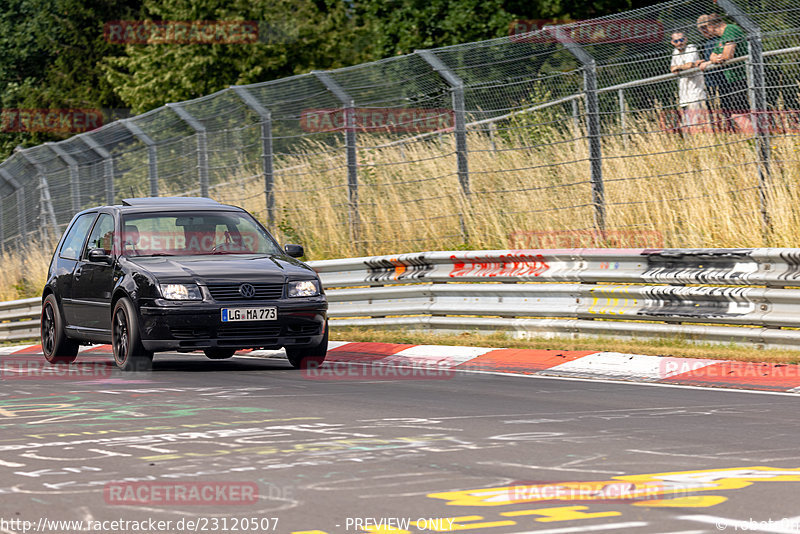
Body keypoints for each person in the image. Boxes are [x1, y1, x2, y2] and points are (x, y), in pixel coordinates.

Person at [699, 14, 751, 132]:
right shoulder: (721, 38)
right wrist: (715, 59)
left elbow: (728, 55)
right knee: (738, 112)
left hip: (742, 76)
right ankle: (754, 137)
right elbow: (712, 56)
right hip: (733, 79)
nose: (706, 31)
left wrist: (720, 57)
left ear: (712, 26)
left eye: (707, 27)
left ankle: (756, 137)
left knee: (738, 113)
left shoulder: (730, 29)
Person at [669, 32, 706, 131]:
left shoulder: (691, 48)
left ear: (686, 39)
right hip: (683, 94)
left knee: (697, 123)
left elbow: (688, 65)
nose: (679, 43)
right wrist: (683, 67)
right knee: (687, 125)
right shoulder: (675, 52)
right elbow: (672, 68)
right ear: (672, 42)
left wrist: (680, 67)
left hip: (696, 92)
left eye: (681, 40)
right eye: (676, 41)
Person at [696, 15, 724, 129]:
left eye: (705, 27)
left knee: (727, 109)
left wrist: (708, 63)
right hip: (710, 82)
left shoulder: (719, 39)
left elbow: (721, 57)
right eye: (701, 28)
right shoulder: (707, 43)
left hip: (722, 80)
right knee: (712, 111)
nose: (704, 31)